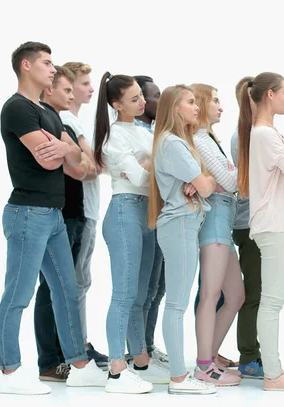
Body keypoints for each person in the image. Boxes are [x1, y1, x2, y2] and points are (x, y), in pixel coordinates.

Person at [0, 41, 107, 395]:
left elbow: (76, 164)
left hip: (55, 214)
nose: (53, 69)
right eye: (46, 62)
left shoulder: (49, 112)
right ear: (26, 66)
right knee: (18, 293)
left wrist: (66, 148)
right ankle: (10, 372)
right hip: (27, 213)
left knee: (67, 290)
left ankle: (78, 365)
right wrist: (66, 150)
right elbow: (49, 160)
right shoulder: (16, 109)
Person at [237, 72, 284, 391]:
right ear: (269, 95)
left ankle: (273, 369)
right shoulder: (265, 134)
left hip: (276, 223)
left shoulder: (265, 133)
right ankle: (273, 374)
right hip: (274, 225)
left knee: (271, 301)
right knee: (271, 302)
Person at [93, 72, 167, 393]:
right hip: (125, 212)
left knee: (140, 295)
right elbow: (139, 178)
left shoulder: (143, 132)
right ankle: (116, 369)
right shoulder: (114, 137)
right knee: (123, 295)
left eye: (141, 96)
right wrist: (155, 164)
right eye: (134, 98)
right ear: (115, 103)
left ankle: (140, 362)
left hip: (147, 213)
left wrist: (151, 163)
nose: (143, 102)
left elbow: (153, 170)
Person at [148, 84, 218, 395]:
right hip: (180, 225)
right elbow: (206, 185)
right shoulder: (173, 144)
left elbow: (207, 182)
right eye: (190, 102)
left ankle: (179, 375)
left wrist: (202, 181)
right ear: (175, 108)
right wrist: (201, 182)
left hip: (184, 224)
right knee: (176, 305)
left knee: (177, 302)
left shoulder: (178, 142)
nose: (196, 107)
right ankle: (178, 379)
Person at [34, 65, 99, 383]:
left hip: (73, 213)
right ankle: (50, 360)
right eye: (69, 89)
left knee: (66, 288)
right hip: (64, 213)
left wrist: (78, 156)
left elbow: (92, 165)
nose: (74, 95)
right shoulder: (52, 122)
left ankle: (66, 355)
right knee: (52, 288)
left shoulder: (65, 124)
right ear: (50, 90)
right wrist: (79, 157)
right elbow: (80, 169)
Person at [190, 83, 244, 386]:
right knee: (211, 294)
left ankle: (210, 356)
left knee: (235, 294)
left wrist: (228, 179)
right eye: (215, 100)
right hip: (213, 219)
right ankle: (203, 365)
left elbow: (229, 181)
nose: (220, 106)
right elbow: (230, 180)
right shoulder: (200, 139)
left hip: (224, 217)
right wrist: (229, 177)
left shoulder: (210, 139)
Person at [60, 61, 109, 368]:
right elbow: (87, 170)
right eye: (84, 84)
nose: (91, 89)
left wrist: (90, 161)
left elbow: (96, 165)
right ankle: (77, 347)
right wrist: (89, 161)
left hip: (88, 211)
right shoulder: (66, 119)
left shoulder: (77, 122)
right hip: (78, 212)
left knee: (81, 281)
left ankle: (80, 342)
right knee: (75, 282)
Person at [127, 75, 169, 364]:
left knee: (157, 288)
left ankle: (148, 347)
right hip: (142, 213)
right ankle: (138, 353)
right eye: (154, 95)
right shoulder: (133, 132)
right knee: (143, 289)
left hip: (160, 215)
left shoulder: (153, 131)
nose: (158, 100)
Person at [230, 76, 265, 378]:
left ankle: (254, 352)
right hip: (250, 223)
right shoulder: (246, 135)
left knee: (260, 292)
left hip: (253, 222)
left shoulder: (255, 133)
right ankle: (249, 356)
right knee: (253, 292)